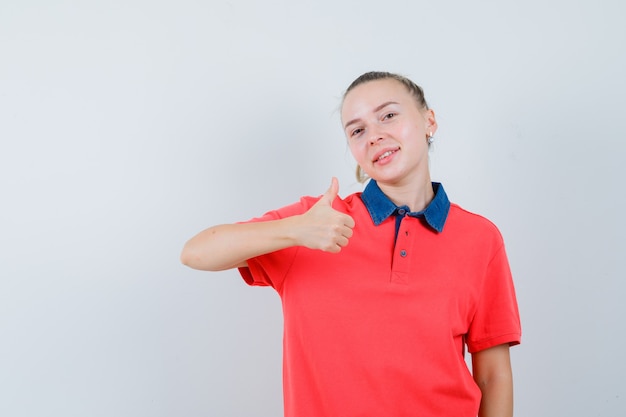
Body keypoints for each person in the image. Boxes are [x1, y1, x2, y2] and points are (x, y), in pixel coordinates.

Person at [181, 71, 521, 417]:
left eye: (388, 115)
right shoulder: (317, 222)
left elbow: (493, 376)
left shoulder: (480, 239)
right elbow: (196, 252)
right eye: (358, 130)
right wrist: (296, 230)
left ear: (428, 120)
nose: (374, 136)